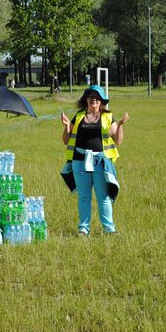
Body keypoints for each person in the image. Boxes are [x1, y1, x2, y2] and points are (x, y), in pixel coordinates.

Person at [60, 85, 129, 236]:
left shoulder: (108, 117)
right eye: (91, 97)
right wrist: (66, 126)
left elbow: (117, 140)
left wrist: (121, 126)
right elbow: (66, 140)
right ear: (86, 100)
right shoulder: (78, 116)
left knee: (102, 196)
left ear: (101, 102)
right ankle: (83, 229)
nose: (94, 100)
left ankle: (109, 229)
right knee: (84, 196)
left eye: (97, 98)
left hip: (100, 161)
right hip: (80, 161)